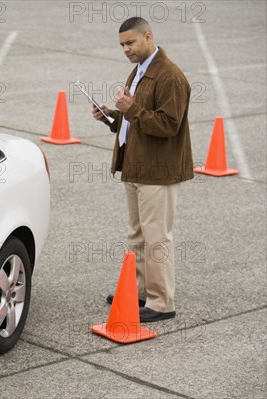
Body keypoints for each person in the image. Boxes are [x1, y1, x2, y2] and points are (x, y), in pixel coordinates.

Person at [92, 17, 193, 322]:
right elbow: (135, 122)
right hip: (135, 166)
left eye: (130, 43)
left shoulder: (170, 77)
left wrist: (130, 109)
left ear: (148, 37)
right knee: (137, 235)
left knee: (157, 237)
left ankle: (162, 302)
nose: (126, 49)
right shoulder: (138, 72)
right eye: (122, 44)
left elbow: (168, 125)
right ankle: (138, 292)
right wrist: (111, 117)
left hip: (158, 170)